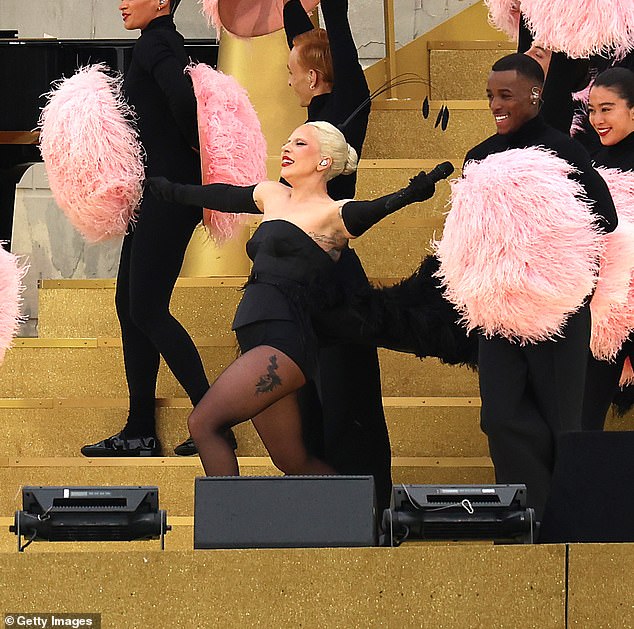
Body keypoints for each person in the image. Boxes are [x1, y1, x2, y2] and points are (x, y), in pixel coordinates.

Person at [147, 121, 437, 477]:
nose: (286, 148)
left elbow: (370, 211)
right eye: (287, 141)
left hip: (285, 344)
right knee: (292, 461)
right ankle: (352, 522)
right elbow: (221, 195)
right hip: (256, 340)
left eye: (299, 143)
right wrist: (170, 191)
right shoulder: (273, 195)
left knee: (204, 423)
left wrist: (407, 195)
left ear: (323, 162)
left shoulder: (333, 215)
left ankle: (231, 528)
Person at [464, 54, 617, 520]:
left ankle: (565, 525)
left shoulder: (563, 152)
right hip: (499, 313)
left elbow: (605, 220)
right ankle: (527, 520)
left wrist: (541, 227)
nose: (495, 104)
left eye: (505, 95)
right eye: (490, 95)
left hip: (558, 312)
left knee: (561, 422)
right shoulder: (479, 156)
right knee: (500, 416)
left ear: (534, 94)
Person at [82, 0, 235, 457]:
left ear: (163, 3)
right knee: (129, 304)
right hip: (159, 193)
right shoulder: (159, 41)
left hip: (169, 195)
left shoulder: (157, 43)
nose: (122, 3)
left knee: (146, 308)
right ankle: (140, 429)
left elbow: (187, 105)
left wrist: (187, 156)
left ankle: (215, 420)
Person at [282, 0, 394, 513]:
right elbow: (307, 42)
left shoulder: (345, 109)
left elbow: (340, 45)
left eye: (292, 72)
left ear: (313, 77)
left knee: (345, 398)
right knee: (310, 400)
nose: (287, 82)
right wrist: (291, 7)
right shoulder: (312, 120)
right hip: (299, 281)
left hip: (334, 277)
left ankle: (364, 503)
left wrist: (331, 7)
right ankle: (324, 504)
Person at [581, 67, 634, 430]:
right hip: (604, 312)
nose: (597, 119)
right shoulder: (585, 160)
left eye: (607, 109)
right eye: (592, 109)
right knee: (583, 422)